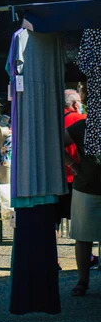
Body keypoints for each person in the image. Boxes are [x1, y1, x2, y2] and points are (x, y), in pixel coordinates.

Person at [58, 90, 98, 271]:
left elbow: (57, 145)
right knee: (82, 234)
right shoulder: (81, 121)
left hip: (70, 179)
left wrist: (74, 166)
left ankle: (56, 262)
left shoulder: (60, 120)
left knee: (62, 224)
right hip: (82, 183)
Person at [64, 118, 101, 296]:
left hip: (87, 185)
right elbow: (57, 143)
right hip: (86, 188)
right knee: (83, 237)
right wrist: (73, 165)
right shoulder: (83, 125)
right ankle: (82, 281)